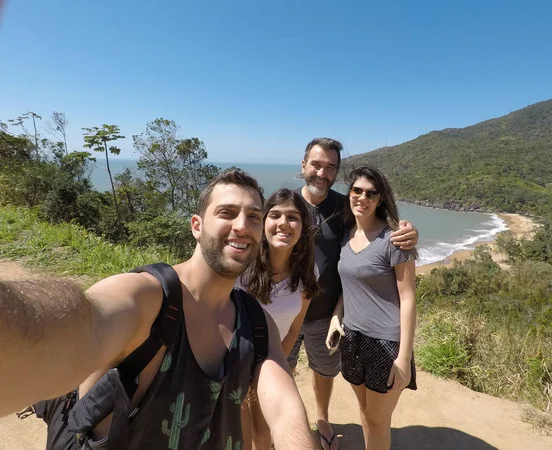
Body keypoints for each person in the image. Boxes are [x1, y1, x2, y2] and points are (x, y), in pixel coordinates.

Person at [0, 169, 316, 450]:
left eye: (254, 217)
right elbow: (85, 322)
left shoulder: (256, 323)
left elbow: (285, 410)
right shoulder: (147, 297)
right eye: (227, 212)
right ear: (197, 225)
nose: (242, 226)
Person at [287, 138, 418, 450]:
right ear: (303, 165)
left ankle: (322, 420)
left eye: (330, 167)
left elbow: (381, 240)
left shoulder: (342, 209)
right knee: (280, 372)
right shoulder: (284, 204)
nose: (322, 172)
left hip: (330, 316)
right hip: (287, 311)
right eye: (316, 164)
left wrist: (410, 234)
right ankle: (286, 428)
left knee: (324, 372)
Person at [326, 166, 417, 450]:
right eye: (356, 190)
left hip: (386, 343)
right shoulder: (345, 235)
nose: (362, 198)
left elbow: (409, 298)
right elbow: (348, 286)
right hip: (352, 339)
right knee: (365, 412)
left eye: (371, 193)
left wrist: (403, 357)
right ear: (349, 193)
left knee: (378, 420)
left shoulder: (395, 239)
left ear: (380, 199)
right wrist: (335, 317)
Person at [237, 188, 320, 450]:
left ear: (303, 227)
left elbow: (295, 326)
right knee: (238, 431)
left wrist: (273, 366)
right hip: (234, 361)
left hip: (272, 361)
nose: (283, 223)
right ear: (263, 222)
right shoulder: (243, 266)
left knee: (262, 433)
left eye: (293, 217)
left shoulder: (307, 271)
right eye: (275, 215)